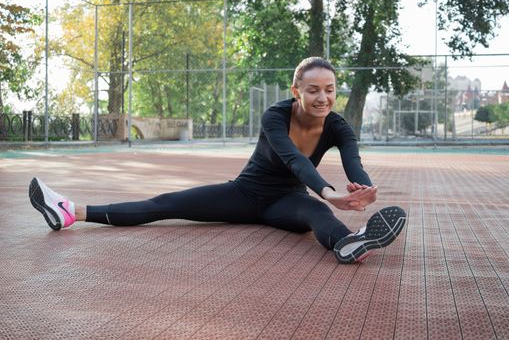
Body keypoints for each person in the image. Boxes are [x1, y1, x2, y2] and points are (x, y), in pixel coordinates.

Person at [29, 57, 406, 264]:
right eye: (313, 90)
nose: (322, 97)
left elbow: (353, 163)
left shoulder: (339, 126)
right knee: (165, 204)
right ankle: (68, 212)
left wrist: (361, 189)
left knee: (318, 216)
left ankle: (348, 244)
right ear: (297, 91)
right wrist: (328, 190)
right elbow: (293, 159)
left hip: (286, 204)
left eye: (329, 89)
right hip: (243, 194)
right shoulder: (275, 116)